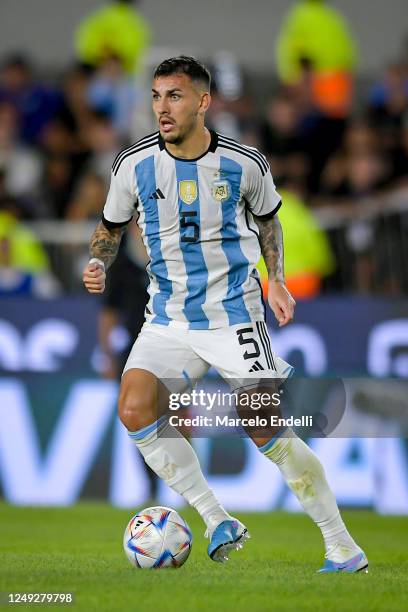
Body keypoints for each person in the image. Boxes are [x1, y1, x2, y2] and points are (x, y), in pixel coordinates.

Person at [83, 56, 367, 572]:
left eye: (174, 96)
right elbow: (110, 227)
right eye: (156, 96)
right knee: (134, 408)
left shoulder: (245, 163)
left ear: (203, 101)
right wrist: (97, 262)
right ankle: (216, 519)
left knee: (261, 423)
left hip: (233, 313)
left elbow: (269, 224)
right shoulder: (133, 164)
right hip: (167, 317)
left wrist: (276, 280)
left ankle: (342, 544)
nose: (162, 108)